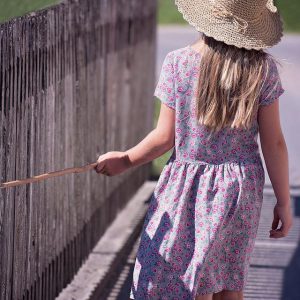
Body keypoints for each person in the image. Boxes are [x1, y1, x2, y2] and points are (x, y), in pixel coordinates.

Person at [94, 0, 293, 299]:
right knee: (228, 281)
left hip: (187, 187)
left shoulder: (179, 62)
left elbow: (164, 137)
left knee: (192, 280)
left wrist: (125, 159)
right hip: (240, 191)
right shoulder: (262, 69)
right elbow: (274, 142)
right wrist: (283, 201)